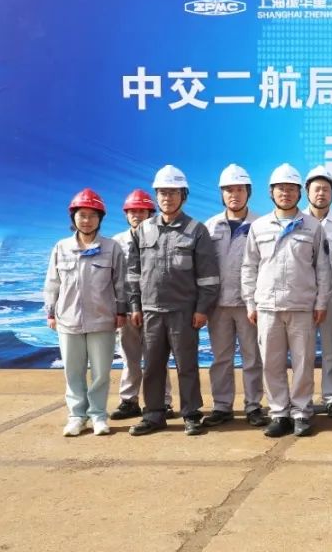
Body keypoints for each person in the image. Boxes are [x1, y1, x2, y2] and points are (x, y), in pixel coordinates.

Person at [127, 165, 219, 437]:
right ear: (157, 196)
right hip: (151, 311)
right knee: (152, 366)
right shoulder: (143, 229)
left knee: (186, 365)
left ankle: (191, 414)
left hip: (183, 312)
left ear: (183, 196)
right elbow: (133, 272)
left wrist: (202, 309)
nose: (167, 198)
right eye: (163, 193)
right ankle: (154, 415)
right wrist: (135, 306)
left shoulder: (196, 230)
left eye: (173, 193)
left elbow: (208, 276)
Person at [242, 163, 332, 438]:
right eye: (281, 188)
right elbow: (249, 267)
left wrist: (321, 302)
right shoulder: (259, 227)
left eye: (291, 189)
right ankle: (279, 413)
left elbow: (322, 268)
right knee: (272, 363)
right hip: (268, 307)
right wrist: (250, 303)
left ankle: (302, 412)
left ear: (299, 193)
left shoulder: (312, 227)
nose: (286, 193)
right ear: (271, 192)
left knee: (303, 363)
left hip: (302, 306)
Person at [43, 189, 126, 437]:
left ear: (100, 218)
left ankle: (98, 415)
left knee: (100, 373)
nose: (87, 220)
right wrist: (50, 312)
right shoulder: (61, 247)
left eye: (92, 215)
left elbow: (121, 283)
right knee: (73, 372)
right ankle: (77, 416)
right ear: (74, 218)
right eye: (82, 215)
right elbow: (52, 283)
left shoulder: (111, 247)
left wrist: (121, 311)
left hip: (102, 320)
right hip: (68, 321)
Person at [202, 164, 266, 428]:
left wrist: (256, 301)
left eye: (239, 189)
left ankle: (253, 406)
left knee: (252, 357)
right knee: (221, 359)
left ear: (248, 192)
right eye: (229, 190)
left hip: (249, 304)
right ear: (222, 193)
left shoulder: (260, 224)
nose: (234, 195)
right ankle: (222, 406)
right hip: (218, 305)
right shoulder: (210, 226)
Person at [110, 189, 173, 421]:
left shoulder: (162, 238)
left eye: (142, 211)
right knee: (130, 357)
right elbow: (112, 278)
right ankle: (129, 400)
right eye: (132, 211)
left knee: (157, 357)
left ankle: (163, 402)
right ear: (126, 214)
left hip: (155, 308)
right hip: (127, 310)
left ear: (150, 214)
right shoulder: (116, 243)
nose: (137, 215)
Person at [304, 165, 332, 418]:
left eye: (326, 189)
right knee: (303, 352)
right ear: (307, 192)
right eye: (316, 189)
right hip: (302, 297)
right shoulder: (296, 222)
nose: (321, 193)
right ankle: (303, 399)